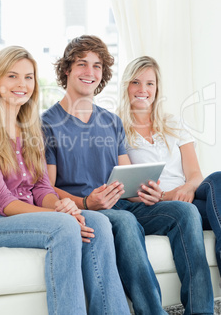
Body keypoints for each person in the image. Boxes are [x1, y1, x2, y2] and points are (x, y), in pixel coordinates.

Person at [42, 35, 214, 315]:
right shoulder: (48, 123)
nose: (90, 72)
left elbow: (126, 178)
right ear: (66, 70)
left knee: (185, 212)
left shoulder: (111, 122)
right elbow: (46, 188)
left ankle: (201, 311)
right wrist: (86, 204)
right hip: (89, 207)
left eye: (97, 66)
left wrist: (150, 192)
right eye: (82, 64)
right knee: (124, 220)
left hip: (122, 203)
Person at [0, 46, 132, 315]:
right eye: (12, 76)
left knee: (98, 220)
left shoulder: (30, 129)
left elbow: (41, 187)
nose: (22, 84)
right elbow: (3, 202)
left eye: (29, 77)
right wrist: (59, 216)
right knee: (65, 227)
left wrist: (62, 205)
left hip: (32, 215)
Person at [117, 55, 221, 279]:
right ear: (126, 85)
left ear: (157, 88)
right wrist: (167, 195)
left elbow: (195, 174)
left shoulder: (174, 123)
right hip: (157, 204)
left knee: (218, 179)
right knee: (190, 210)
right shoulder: (117, 129)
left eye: (149, 83)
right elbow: (128, 187)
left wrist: (188, 189)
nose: (142, 89)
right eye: (136, 82)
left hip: (188, 196)